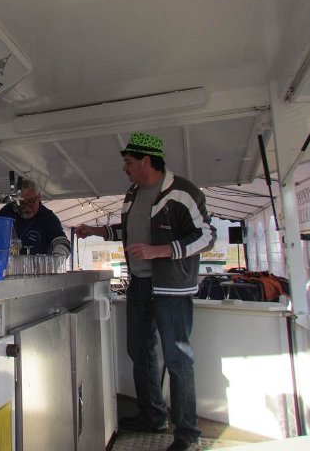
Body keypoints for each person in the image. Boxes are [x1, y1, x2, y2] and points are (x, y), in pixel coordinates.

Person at [75, 132, 216, 451]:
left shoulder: (183, 193)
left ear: (146, 161)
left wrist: (161, 250)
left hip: (172, 288)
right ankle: (153, 416)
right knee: (138, 350)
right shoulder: (133, 193)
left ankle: (188, 433)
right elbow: (129, 230)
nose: (124, 168)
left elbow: (207, 236)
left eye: (128, 162)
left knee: (178, 358)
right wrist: (97, 231)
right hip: (139, 284)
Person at [0, 178, 71, 257]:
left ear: (39, 197)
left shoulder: (48, 217)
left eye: (31, 201)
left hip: (39, 264)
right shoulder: (6, 212)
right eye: (21, 203)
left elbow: (62, 242)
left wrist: (56, 258)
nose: (27, 207)